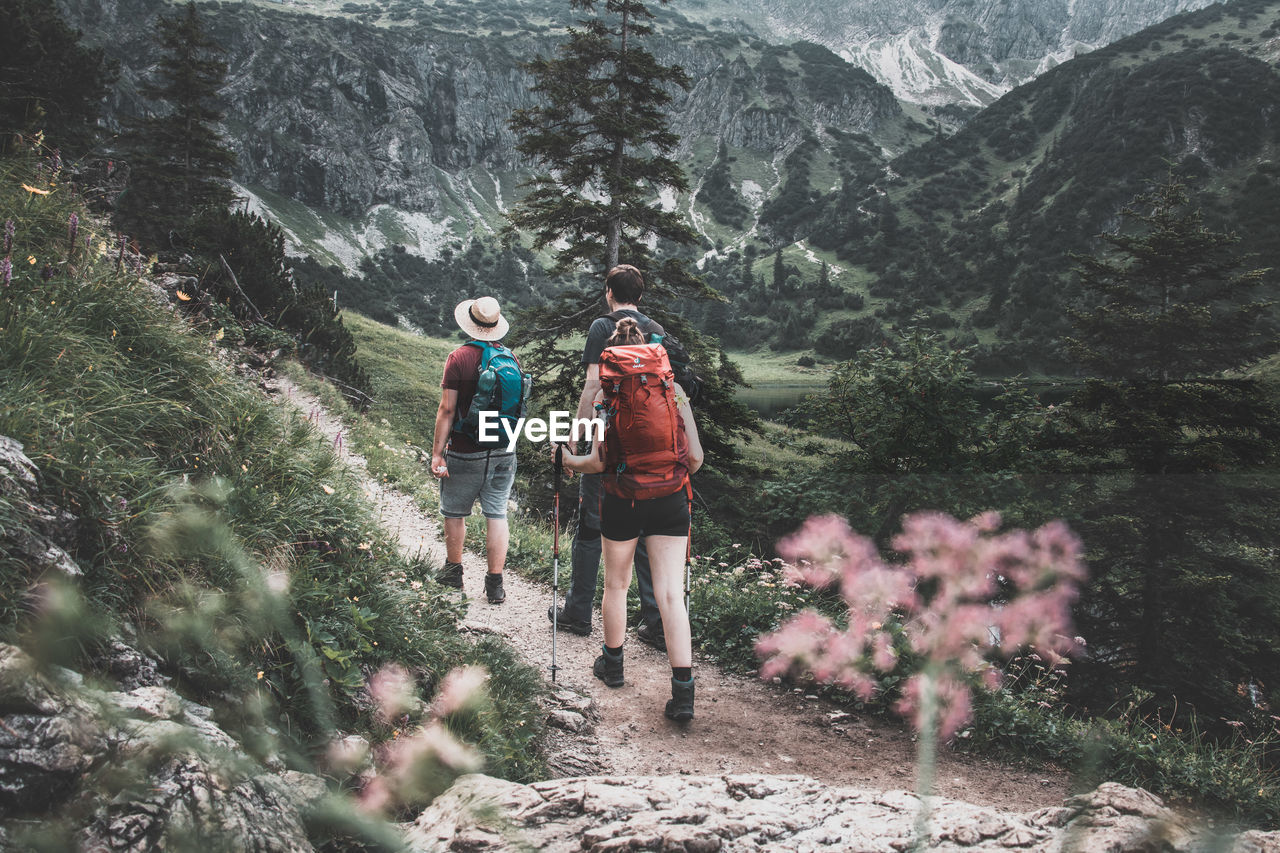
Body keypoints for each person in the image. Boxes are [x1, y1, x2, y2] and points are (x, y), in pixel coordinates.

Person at [555, 315, 705, 722]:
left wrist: (567, 459)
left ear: (614, 354)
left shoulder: (608, 393)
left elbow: (598, 462)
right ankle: (683, 694)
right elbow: (695, 458)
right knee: (671, 594)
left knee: (617, 586)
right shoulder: (674, 389)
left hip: (622, 500)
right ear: (652, 349)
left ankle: (613, 665)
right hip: (671, 499)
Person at [548, 265, 668, 648]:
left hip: (610, 443)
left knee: (590, 527)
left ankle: (578, 612)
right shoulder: (657, 330)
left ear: (608, 292)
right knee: (648, 531)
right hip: (650, 449)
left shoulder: (602, 327)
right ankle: (656, 622)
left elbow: (592, 386)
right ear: (641, 295)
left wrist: (575, 439)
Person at [430, 296, 524, 605]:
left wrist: (437, 453)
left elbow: (447, 409)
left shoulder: (458, 358)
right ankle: (495, 584)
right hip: (502, 449)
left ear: (470, 323)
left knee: (455, 512)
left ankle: (453, 575)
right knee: (496, 514)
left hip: (466, 449)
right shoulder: (511, 358)